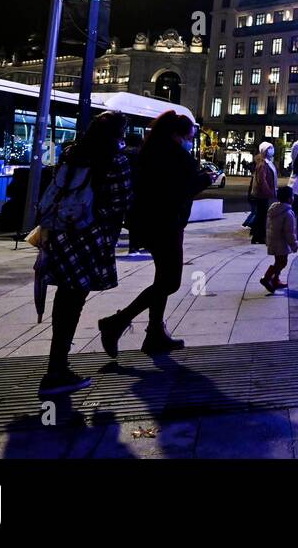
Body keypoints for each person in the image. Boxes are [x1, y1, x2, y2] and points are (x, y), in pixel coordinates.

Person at [98, 112, 211, 356]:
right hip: (167, 226)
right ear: (177, 135)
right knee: (171, 282)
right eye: (189, 137)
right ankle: (116, 323)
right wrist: (202, 181)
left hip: (148, 225)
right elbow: (176, 193)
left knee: (162, 279)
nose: (190, 142)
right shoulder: (178, 158)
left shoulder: (149, 151)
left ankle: (154, 333)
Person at [36, 111, 132, 396]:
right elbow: (121, 202)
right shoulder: (116, 160)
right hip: (90, 235)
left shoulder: (71, 152)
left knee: (66, 296)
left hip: (62, 231)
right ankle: (56, 371)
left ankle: (57, 363)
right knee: (73, 299)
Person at [261, 185, 298, 293]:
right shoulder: (288, 213)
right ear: (289, 199)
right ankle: (267, 278)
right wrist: (294, 245)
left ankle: (275, 280)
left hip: (273, 240)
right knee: (282, 262)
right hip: (281, 243)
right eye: (292, 196)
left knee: (279, 261)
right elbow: (289, 232)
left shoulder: (274, 209)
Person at [248, 142, 277, 244]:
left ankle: (257, 236)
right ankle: (259, 236)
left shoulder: (267, 162)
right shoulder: (262, 164)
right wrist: (269, 192)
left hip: (264, 194)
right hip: (262, 194)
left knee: (262, 215)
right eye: (270, 148)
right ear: (264, 151)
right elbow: (262, 181)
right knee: (262, 215)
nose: (272, 149)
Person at [243, 148, 263, 230]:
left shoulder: (255, 173)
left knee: (254, 211)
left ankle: (247, 223)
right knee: (255, 211)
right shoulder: (257, 174)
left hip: (252, 196)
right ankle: (249, 223)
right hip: (254, 196)